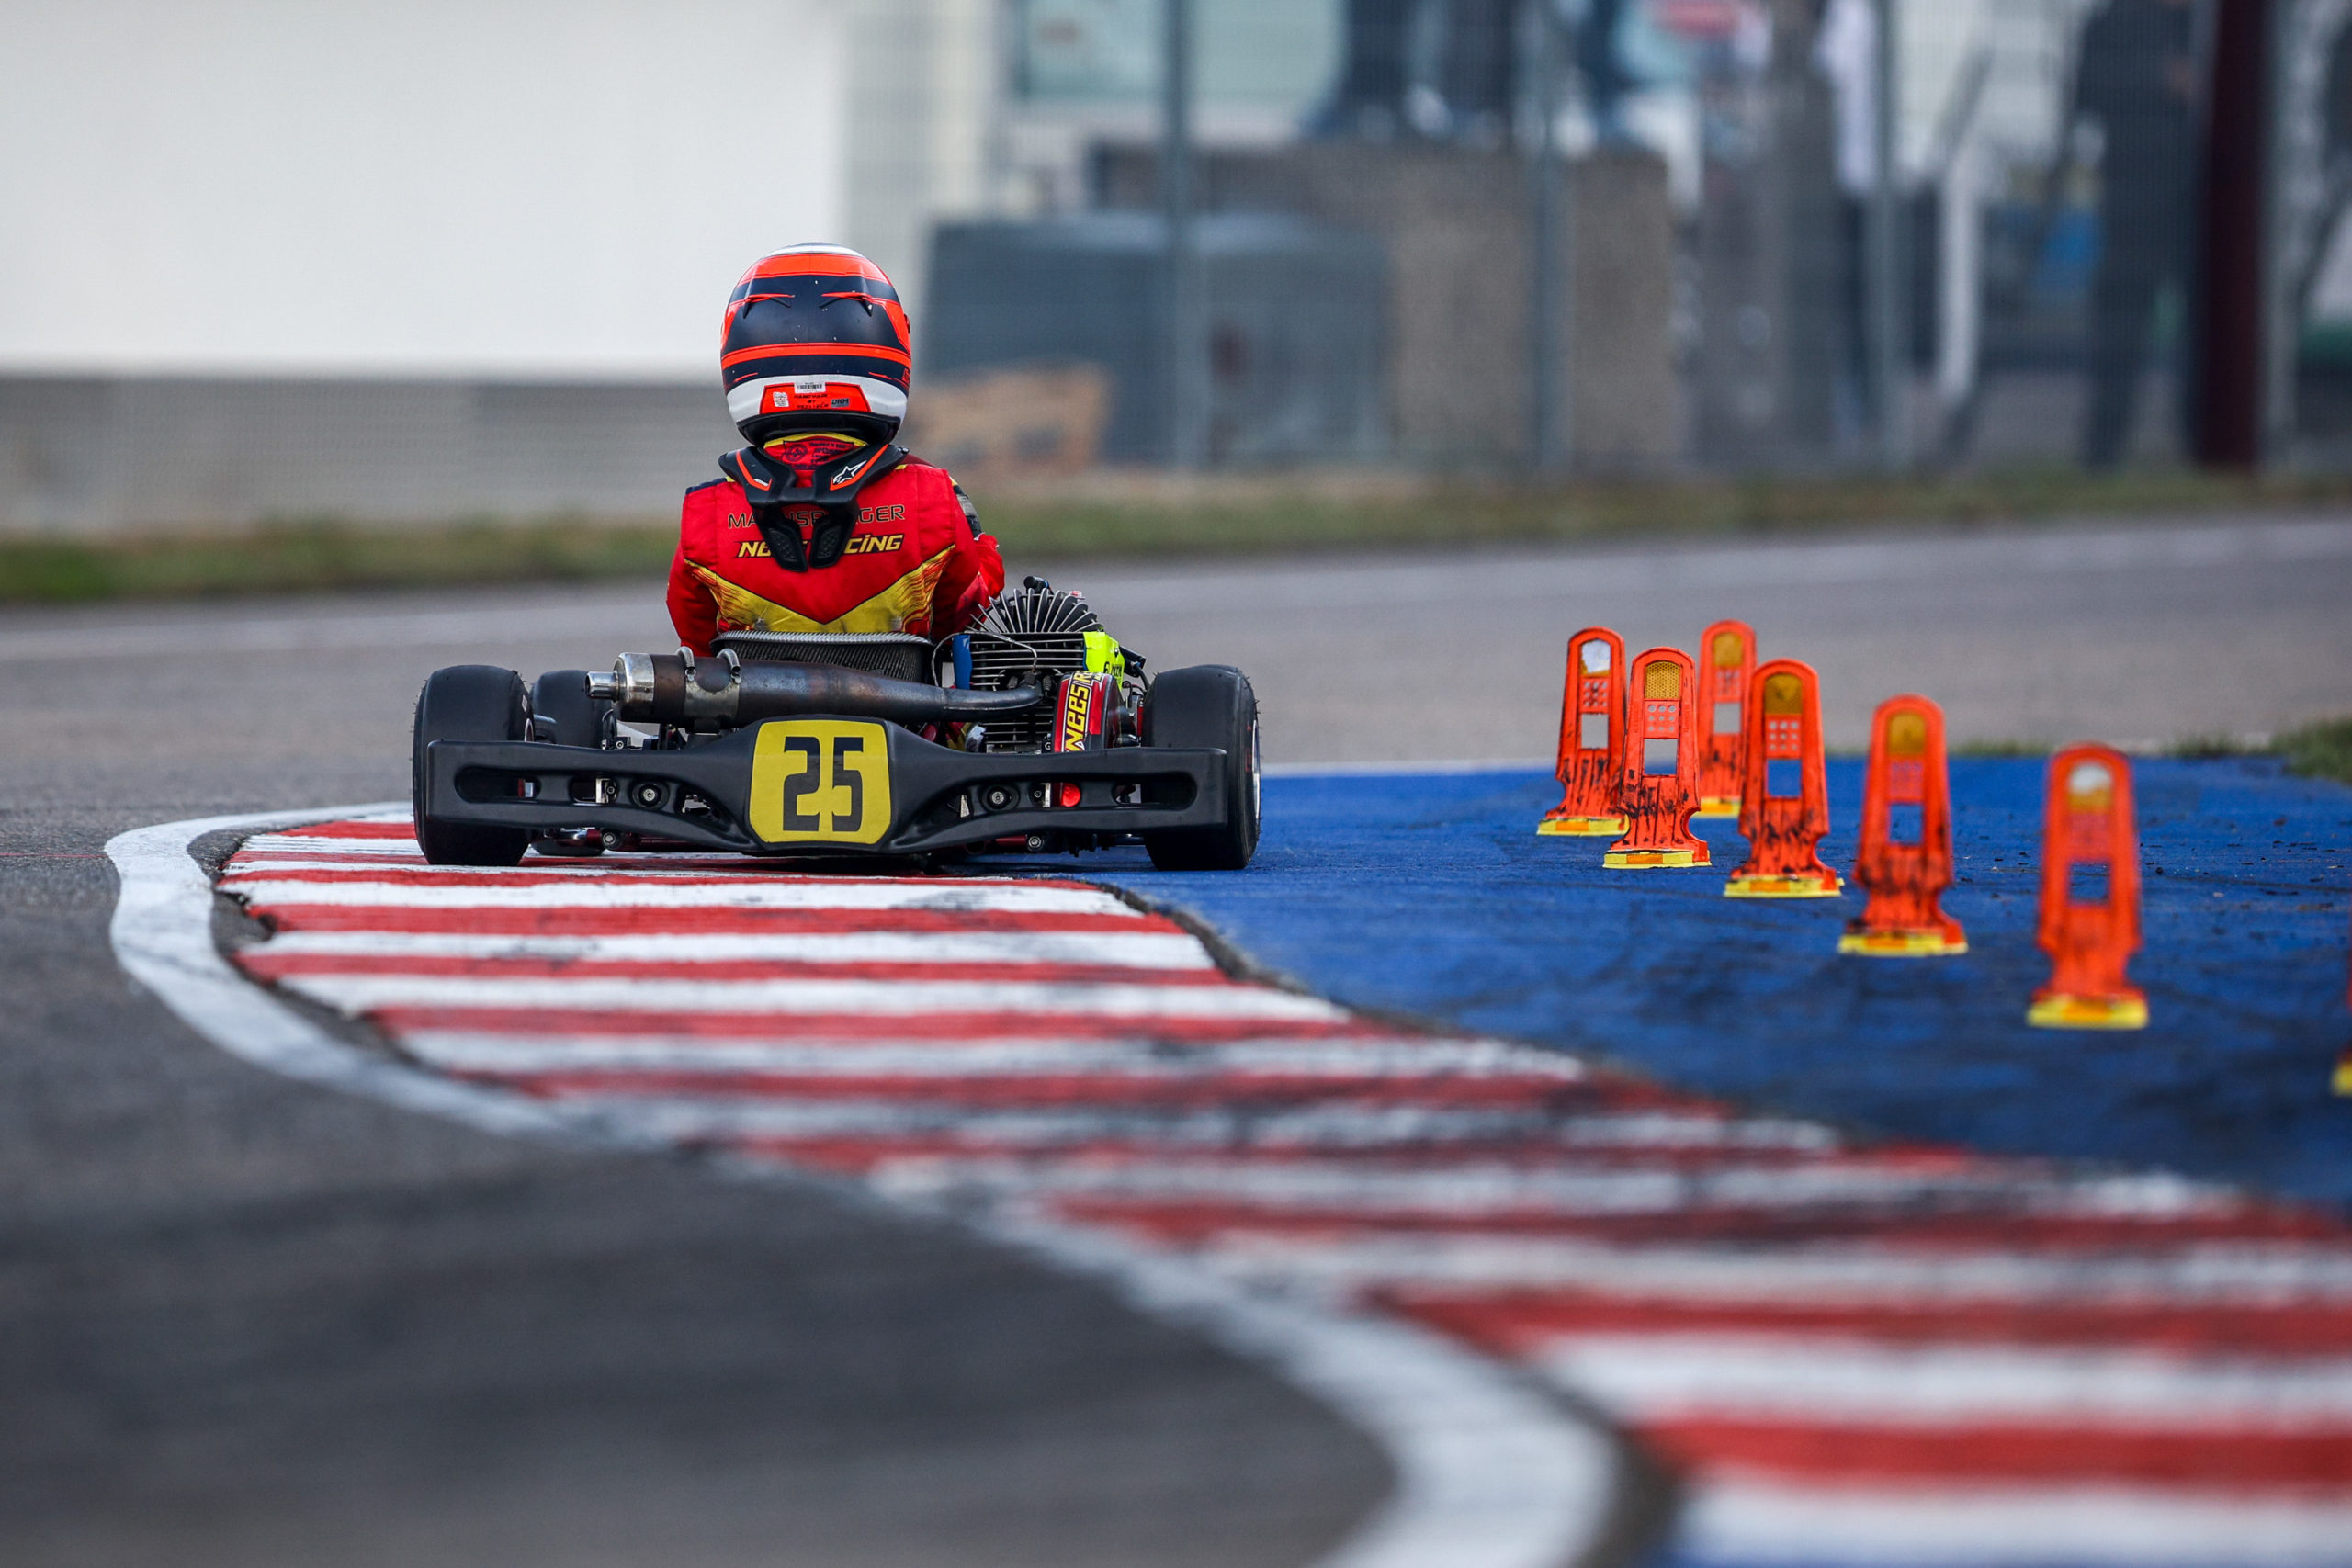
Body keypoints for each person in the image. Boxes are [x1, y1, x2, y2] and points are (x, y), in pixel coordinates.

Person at [667, 243, 1004, 656]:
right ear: (885, 346)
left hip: (759, 721)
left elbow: (698, 649)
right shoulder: (931, 496)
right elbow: (968, 617)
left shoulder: (708, 514)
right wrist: (983, 549)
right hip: (901, 721)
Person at [2074, 0, 2199, 468]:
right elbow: (2085, 92)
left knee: (2207, 335)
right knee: (2120, 332)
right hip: (2132, 206)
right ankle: (2102, 454)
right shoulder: (2117, 22)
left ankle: (2208, 450)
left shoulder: (2206, 25)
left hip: (2203, 209)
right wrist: (2161, 81)